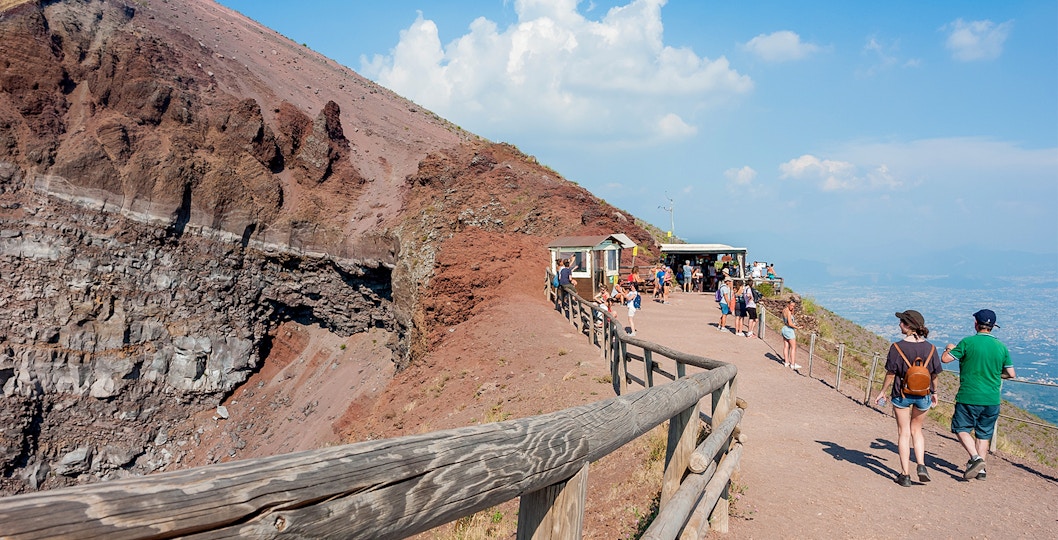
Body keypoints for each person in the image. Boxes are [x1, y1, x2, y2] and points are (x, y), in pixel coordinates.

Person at [942, 309, 1015, 481]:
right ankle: (981, 471)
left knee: (960, 428)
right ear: (992, 327)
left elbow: (945, 359)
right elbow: (1011, 374)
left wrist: (949, 348)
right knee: (984, 434)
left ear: (976, 323)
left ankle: (976, 459)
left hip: (969, 395)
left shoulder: (967, 342)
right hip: (991, 399)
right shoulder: (1001, 347)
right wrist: (997, 374)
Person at [875, 310, 943, 487]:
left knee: (903, 433)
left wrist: (882, 391)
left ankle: (905, 475)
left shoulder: (897, 347)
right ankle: (921, 464)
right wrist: (934, 393)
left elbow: (891, 373)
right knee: (917, 431)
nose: (899, 325)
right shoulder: (931, 348)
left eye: (901, 322)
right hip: (924, 395)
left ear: (908, 325)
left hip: (902, 395)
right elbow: (934, 375)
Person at [781, 297, 802, 370]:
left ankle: (786, 362)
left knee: (786, 346)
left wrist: (792, 310)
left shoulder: (784, 310)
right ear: (788, 304)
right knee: (793, 347)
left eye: (793, 306)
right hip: (789, 330)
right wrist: (797, 327)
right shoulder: (788, 312)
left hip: (784, 328)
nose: (792, 307)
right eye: (792, 306)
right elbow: (790, 323)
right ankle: (792, 364)